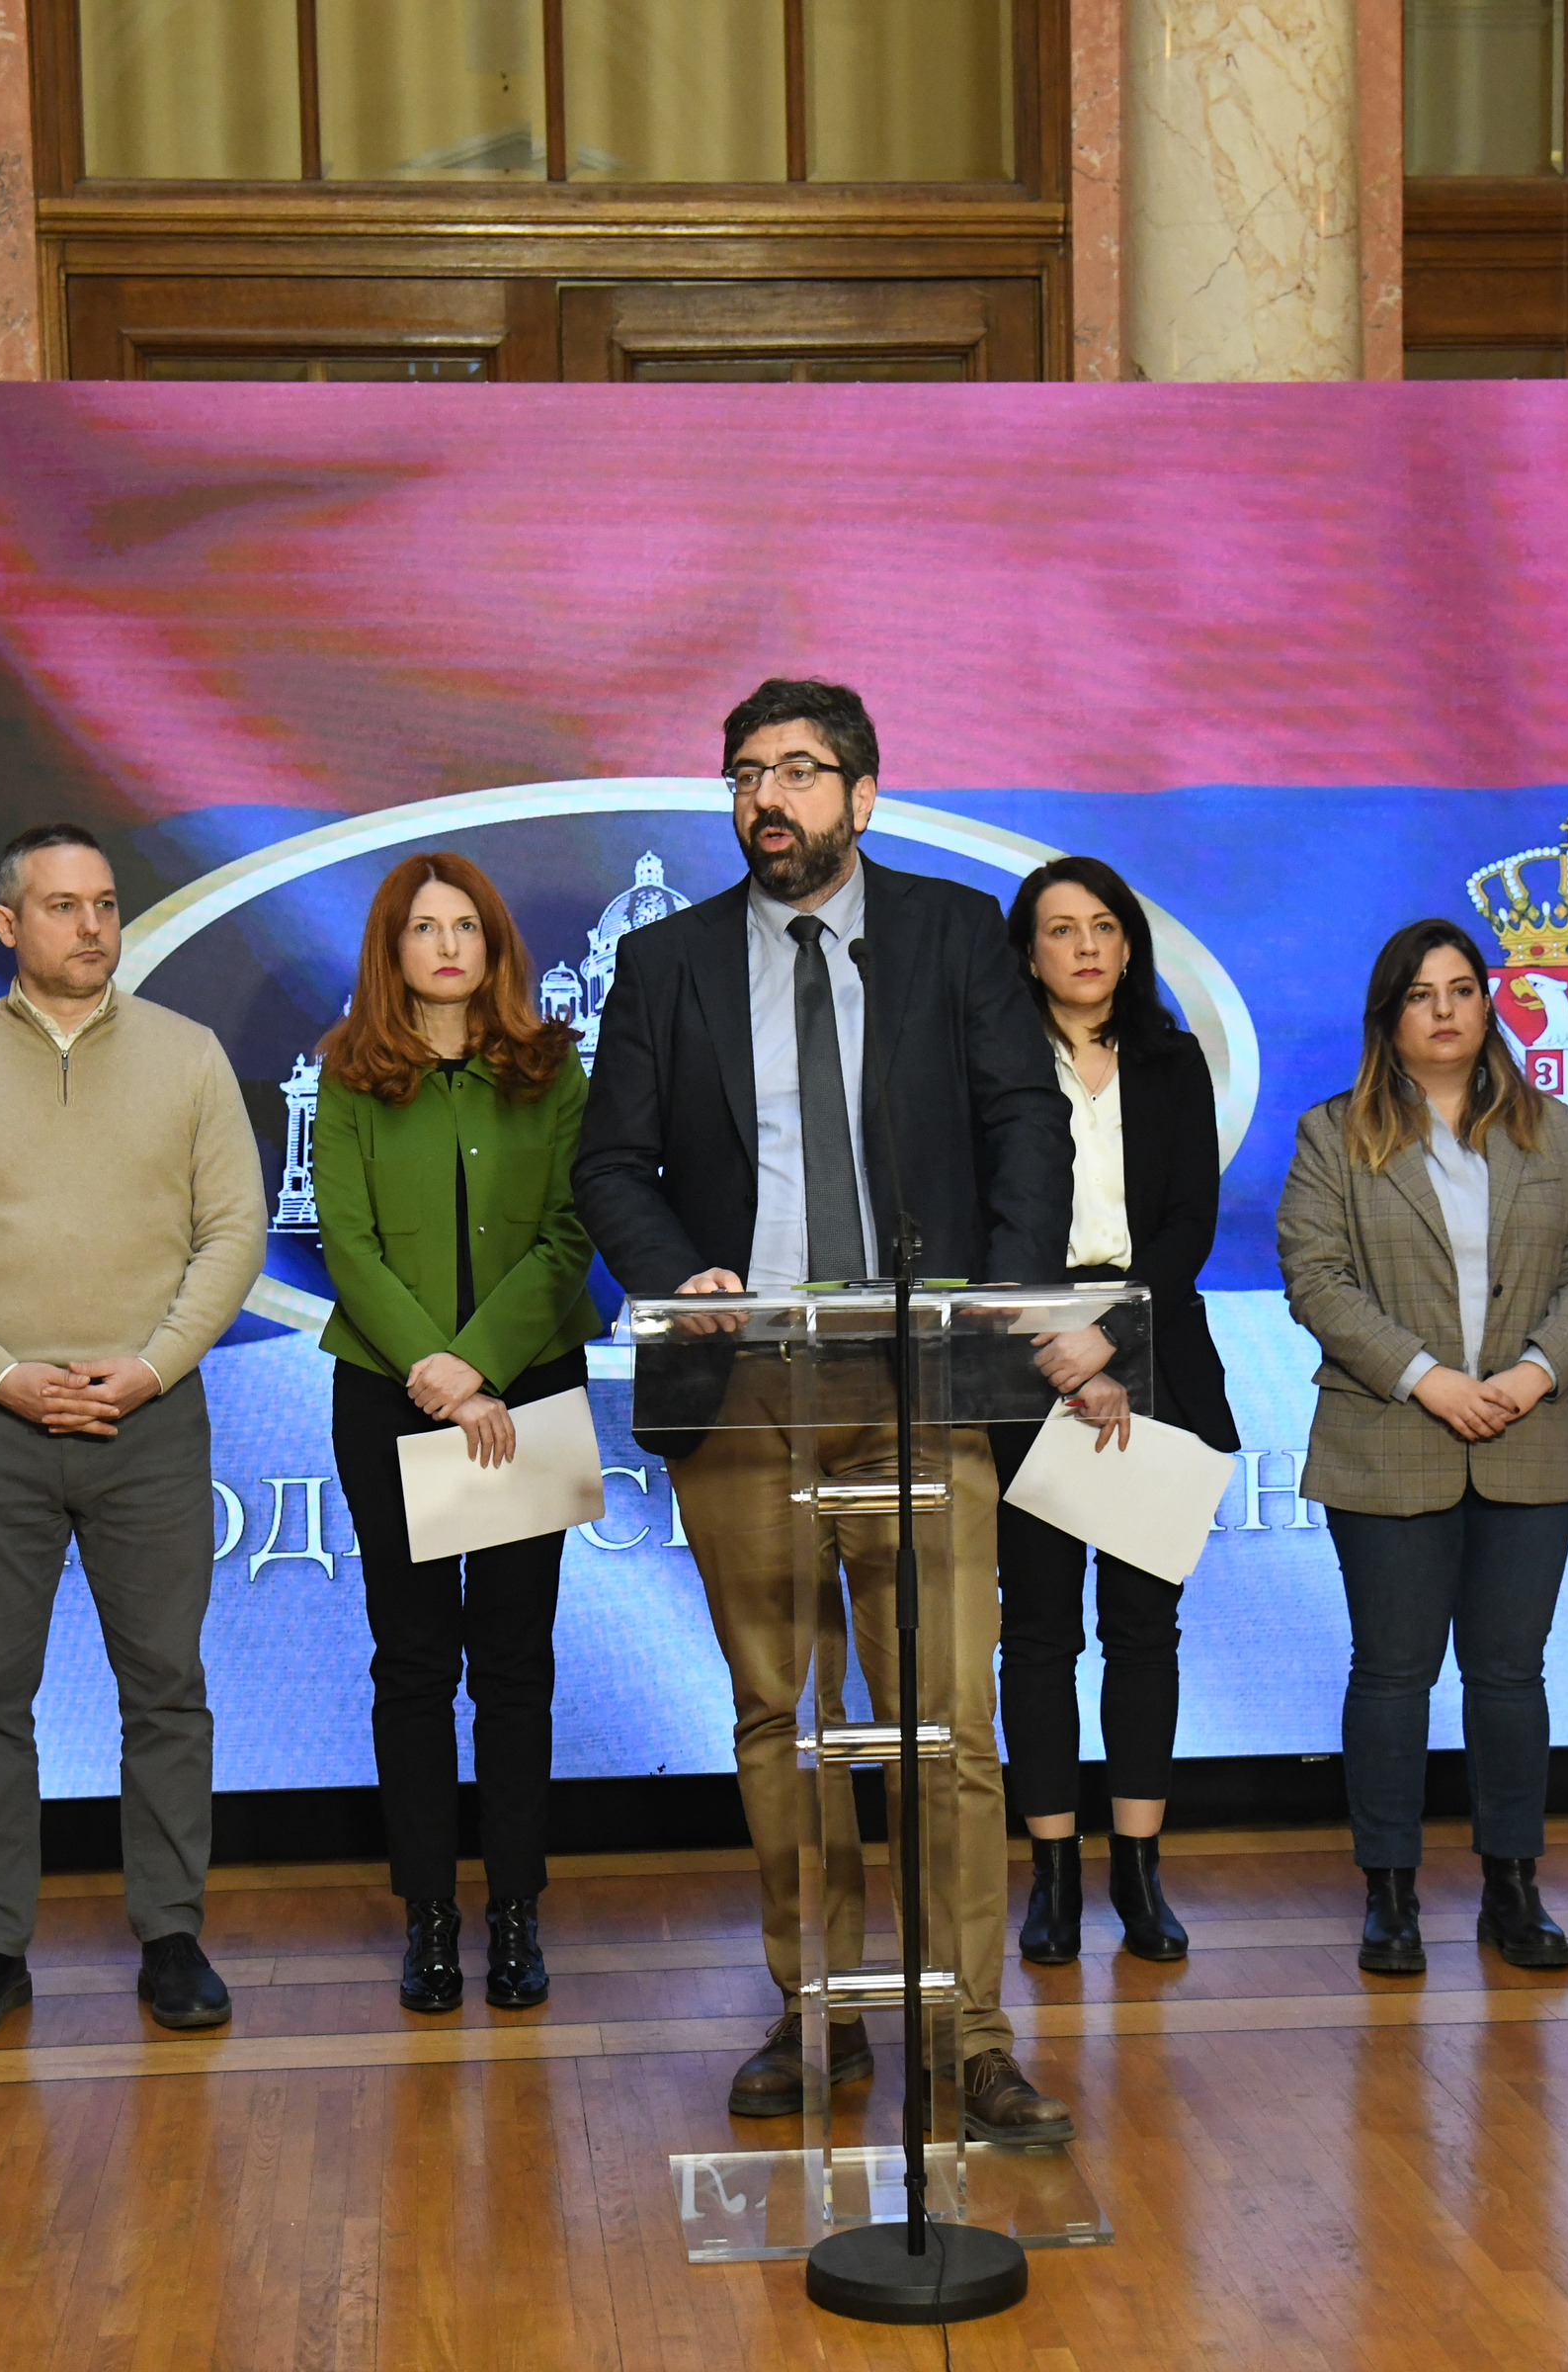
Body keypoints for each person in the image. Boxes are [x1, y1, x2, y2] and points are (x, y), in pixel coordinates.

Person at [573, 677, 1081, 2145]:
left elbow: (1020, 1120)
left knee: (949, 1728)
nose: (767, 798)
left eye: (800, 771)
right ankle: (819, 2016)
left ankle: (970, 2034)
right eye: (745, 773)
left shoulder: (945, 937)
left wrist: (1014, 1290)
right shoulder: (666, 962)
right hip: (750, 1387)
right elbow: (614, 1163)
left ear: (861, 794)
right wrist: (686, 1275)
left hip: (919, 1378)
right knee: (778, 1722)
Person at [0, 823, 267, 2044]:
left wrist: (150, 1368)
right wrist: (2, 1376)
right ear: (8, 925)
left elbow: (235, 1234)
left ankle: (173, 1937)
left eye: (104, 905)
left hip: (150, 1420)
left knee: (167, 1690)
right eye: (61, 907)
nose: (91, 927)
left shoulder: (189, 1058)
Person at [1274, 916, 1568, 1980]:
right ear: (1389, 1015)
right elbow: (1316, 1278)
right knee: (1392, 1675)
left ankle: (1513, 1888)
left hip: (1528, 1433)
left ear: (1487, 1005)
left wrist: (1527, 1377)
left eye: (1463, 990)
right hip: (1390, 1435)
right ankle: (1389, 1895)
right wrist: (1428, 1378)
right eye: (1422, 994)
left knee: (1510, 1677)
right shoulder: (1333, 1134)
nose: (1445, 1010)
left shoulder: (1547, 1131)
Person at [312, 854, 600, 2016]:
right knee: (416, 1666)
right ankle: (429, 1915)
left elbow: (572, 1231)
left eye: (466, 926)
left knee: (517, 1667)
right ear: (392, 948)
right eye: (422, 928)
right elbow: (345, 1240)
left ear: (495, 946)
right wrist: (435, 1371)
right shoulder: (346, 1073)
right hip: (389, 1391)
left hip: (526, 1390)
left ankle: (517, 1911)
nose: (445, 946)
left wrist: (478, 1366)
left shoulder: (554, 1067)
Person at [994, 857, 1244, 1966]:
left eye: (1103, 927)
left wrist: (1116, 1336)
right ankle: (1050, 1878)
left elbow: (1190, 1223)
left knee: (1144, 1631)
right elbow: (983, 1224)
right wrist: (1062, 1342)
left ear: (1130, 945)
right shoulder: (991, 1066)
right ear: (1029, 951)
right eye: (1061, 930)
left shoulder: (1173, 1063)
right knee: (1038, 1634)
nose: (1086, 947)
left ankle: (1140, 1875)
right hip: (1023, 1364)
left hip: (1153, 1355)